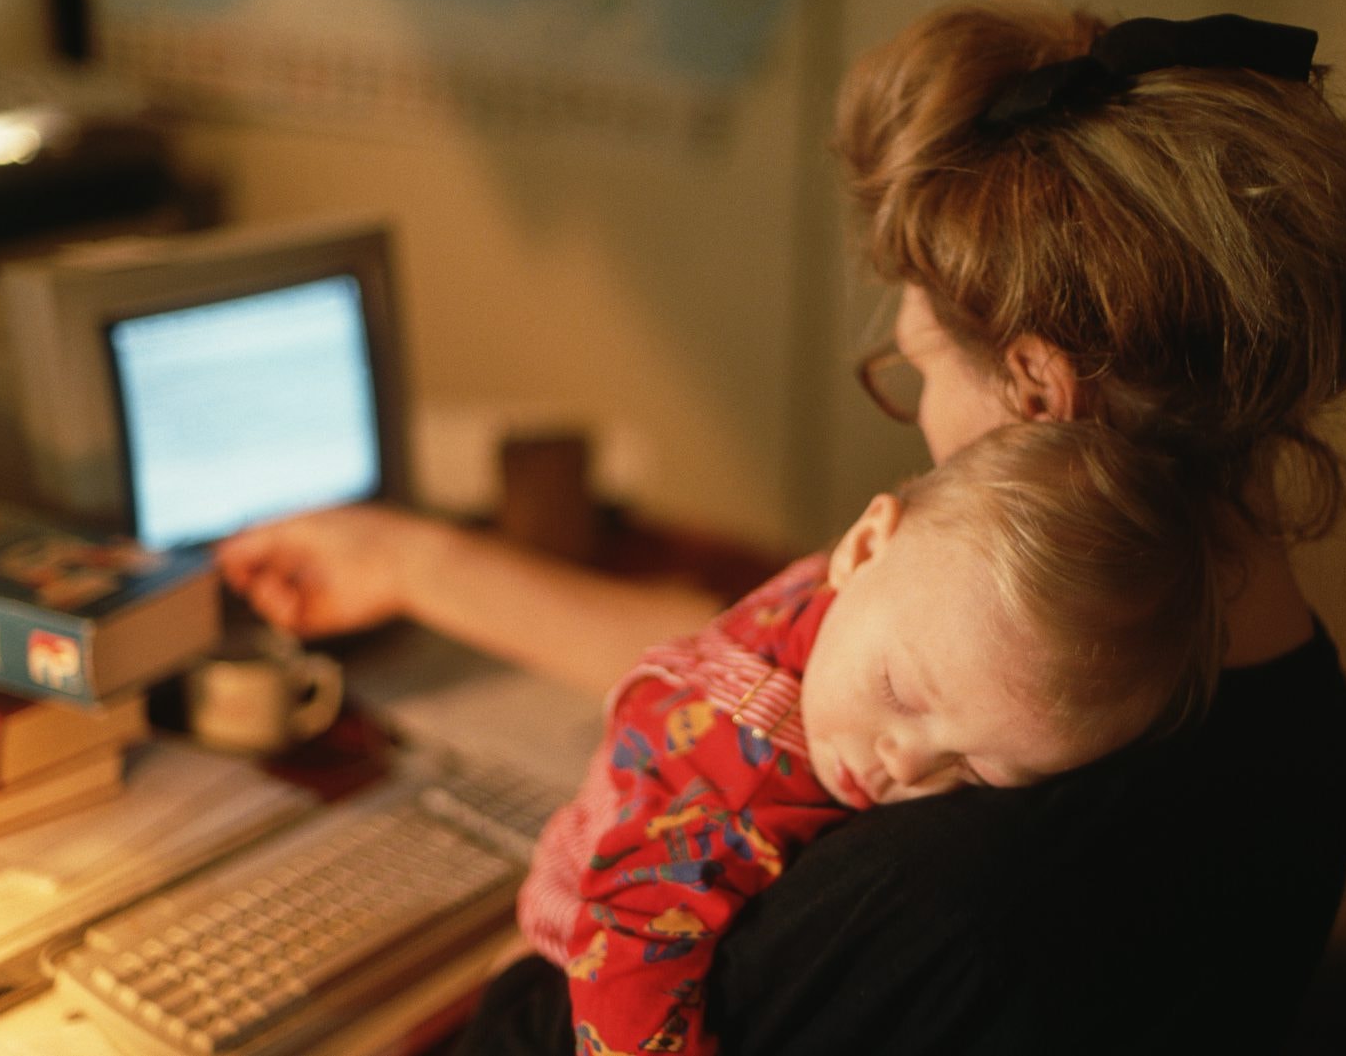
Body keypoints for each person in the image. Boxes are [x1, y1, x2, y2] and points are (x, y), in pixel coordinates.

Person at [217, 2, 1346, 1053]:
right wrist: (411, 560)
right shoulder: (1284, 700)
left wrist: (518, 951)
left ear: (1041, 393)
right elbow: (771, 679)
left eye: (918, 365)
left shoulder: (951, 897)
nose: (918, 405)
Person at [518, 421, 1219, 1056]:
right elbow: (628, 951)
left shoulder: (883, 596)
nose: (907, 764)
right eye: (900, 693)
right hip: (582, 936)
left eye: (977, 766)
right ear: (861, 545)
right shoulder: (735, 782)